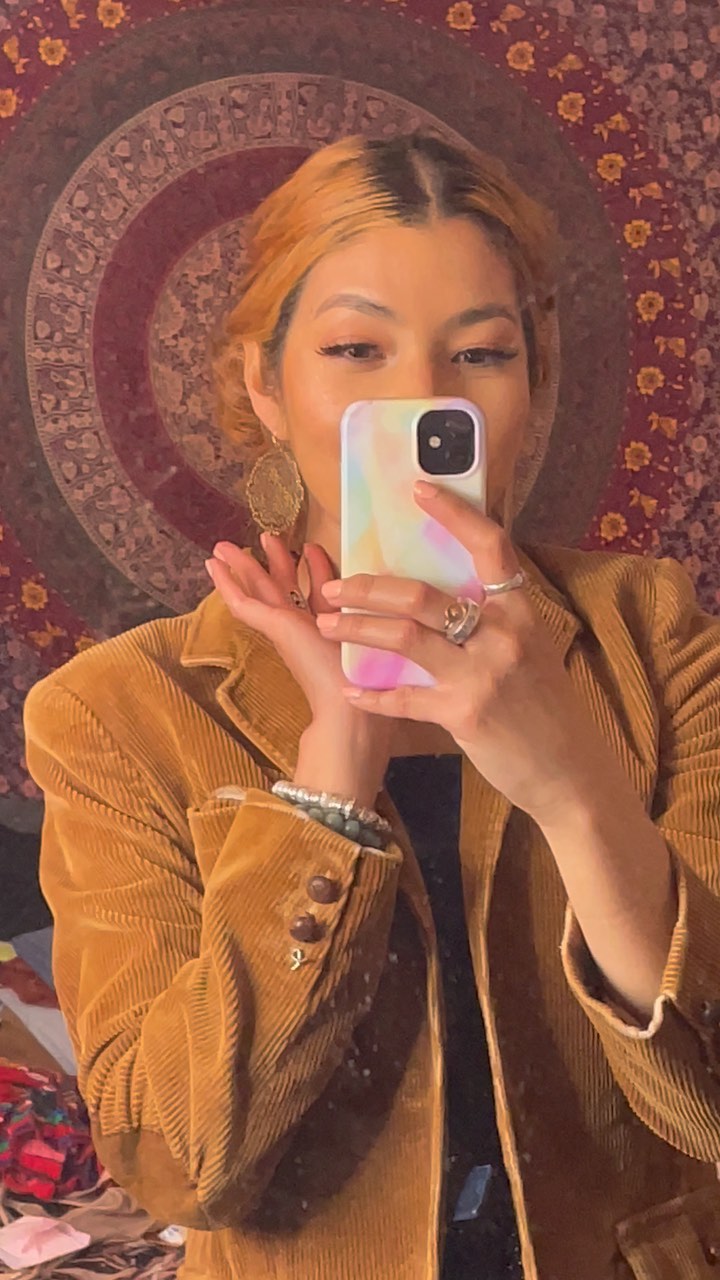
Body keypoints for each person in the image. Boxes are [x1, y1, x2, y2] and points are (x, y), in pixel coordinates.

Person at [23, 132, 720, 1280]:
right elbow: (175, 1166)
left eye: (481, 353)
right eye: (356, 348)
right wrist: (331, 775)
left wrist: (573, 783)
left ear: (532, 384)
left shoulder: (654, 634)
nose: (422, 399)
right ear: (265, 385)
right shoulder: (117, 713)